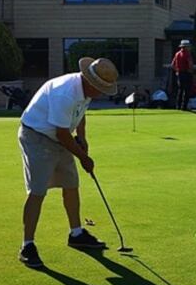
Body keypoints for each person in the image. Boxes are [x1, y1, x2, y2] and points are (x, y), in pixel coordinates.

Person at [17, 56, 119, 268]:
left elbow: (80, 115)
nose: (100, 93)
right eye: (99, 88)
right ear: (90, 81)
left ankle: (76, 233)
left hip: (57, 135)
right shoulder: (65, 93)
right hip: (36, 136)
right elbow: (62, 134)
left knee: (71, 184)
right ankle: (27, 245)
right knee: (37, 191)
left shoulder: (86, 89)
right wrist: (83, 157)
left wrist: (82, 138)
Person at [171, 39, 194, 110]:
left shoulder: (177, 54)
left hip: (179, 73)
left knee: (180, 90)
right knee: (187, 90)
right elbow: (190, 63)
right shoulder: (187, 54)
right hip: (186, 73)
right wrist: (191, 70)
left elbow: (173, 65)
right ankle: (184, 106)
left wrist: (177, 70)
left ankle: (178, 105)